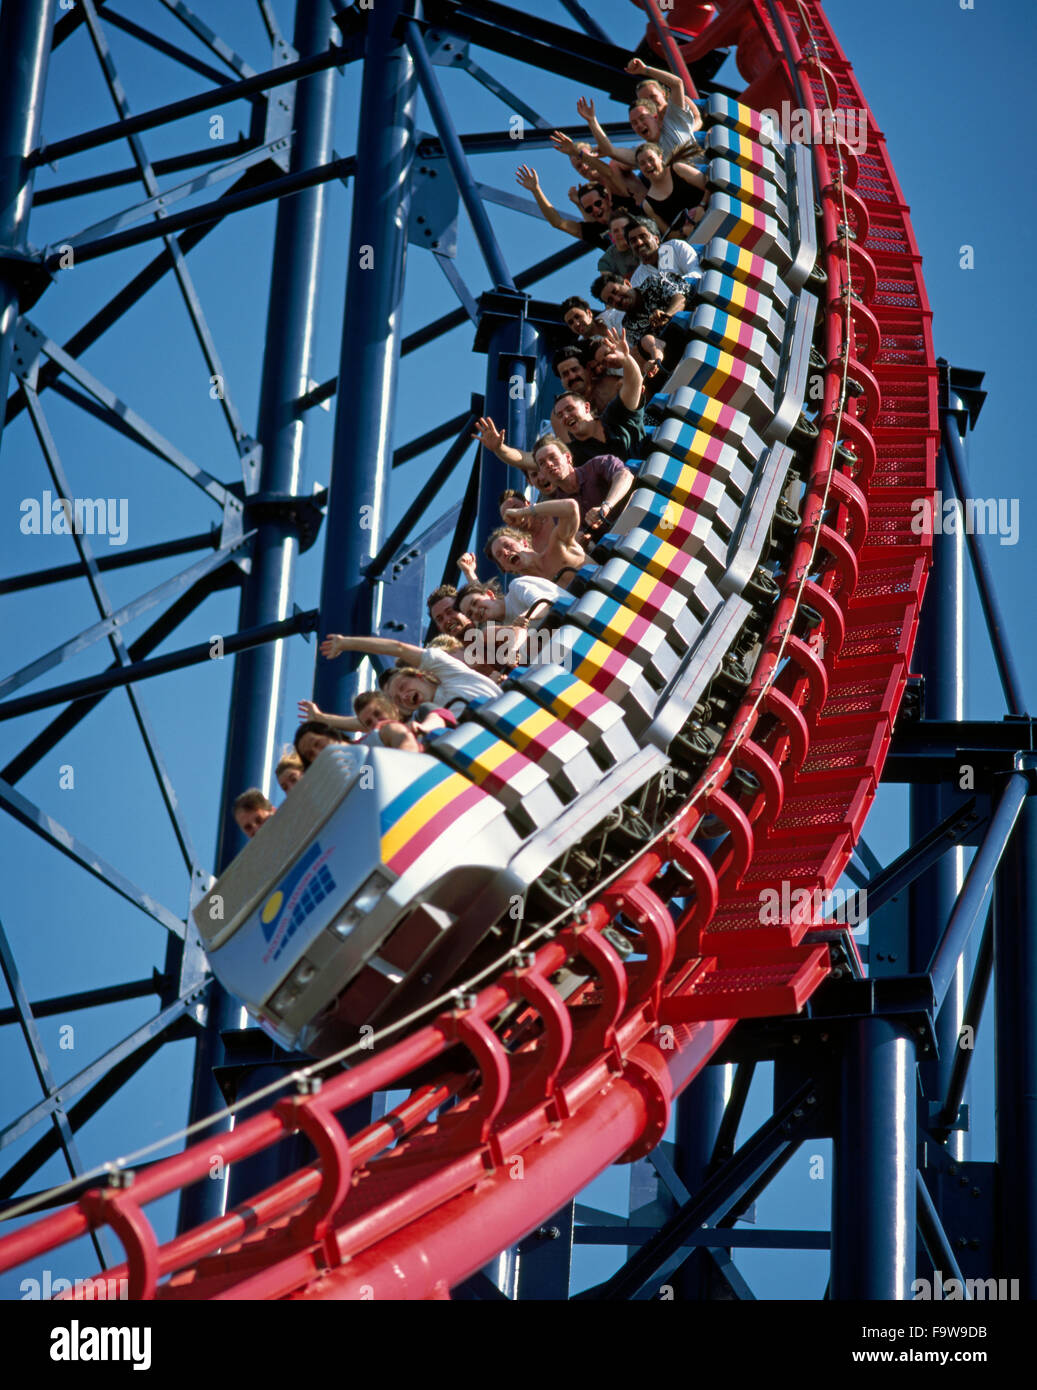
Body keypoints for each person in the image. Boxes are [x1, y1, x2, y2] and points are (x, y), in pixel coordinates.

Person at [320, 633, 502, 713]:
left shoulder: (450, 673)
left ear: (420, 675)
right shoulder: (428, 723)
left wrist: (346, 643)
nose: (403, 696)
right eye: (398, 700)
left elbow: (399, 649)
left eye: (402, 686)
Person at [549, 325, 645, 465]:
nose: (572, 376)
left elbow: (634, 387)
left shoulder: (612, 386)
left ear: (587, 369)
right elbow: (572, 455)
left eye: (575, 370)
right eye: (565, 375)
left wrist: (626, 359)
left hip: (635, 445)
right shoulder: (559, 415)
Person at [485, 497, 586, 586]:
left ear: (524, 543)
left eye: (507, 545)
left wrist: (522, 512)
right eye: (499, 555)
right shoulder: (528, 592)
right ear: (505, 568)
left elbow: (571, 507)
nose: (505, 553)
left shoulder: (558, 546)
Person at [590, 268, 688, 347]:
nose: (617, 300)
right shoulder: (629, 327)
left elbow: (680, 298)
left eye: (615, 292)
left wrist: (667, 314)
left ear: (627, 283)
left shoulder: (655, 281)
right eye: (610, 301)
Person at [633, 142, 707, 237]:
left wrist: (702, 206)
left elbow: (709, 186)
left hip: (711, 214)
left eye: (651, 159)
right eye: (642, 163)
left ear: (660, 158)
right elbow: (668, 234)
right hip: (694, 237)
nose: (648, 165)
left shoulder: (678, 169)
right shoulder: (648, 205)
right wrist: (684, 231)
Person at [623, 212, 702, 287]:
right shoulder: (637, 280)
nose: (639, 243)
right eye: (633, 241)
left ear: (656, 239)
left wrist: (674, 291)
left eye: (643, 236)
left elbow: (697, 273)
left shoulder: (676, 247)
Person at [455, 574, 562, 625]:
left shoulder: (516, 587)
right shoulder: (504, 629)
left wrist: (526, 616)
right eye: (470, 614)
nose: (475, 611)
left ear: (489, 594)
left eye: (475, 603)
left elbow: (544, 604)